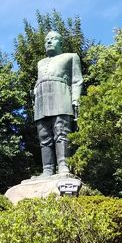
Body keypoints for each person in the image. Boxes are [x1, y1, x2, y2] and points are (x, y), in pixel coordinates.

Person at [33, 31, 83, 177]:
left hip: (61, 95)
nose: (48, 42)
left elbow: (77, 80)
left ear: (60, 43)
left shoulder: (71, 57)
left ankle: (63, 166)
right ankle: (47, 169)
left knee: (61, 132)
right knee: (44, 136)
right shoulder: (40, 63)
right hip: (42, 99)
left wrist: (76, 99)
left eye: (53, 39)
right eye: (46, 40)